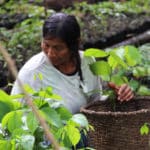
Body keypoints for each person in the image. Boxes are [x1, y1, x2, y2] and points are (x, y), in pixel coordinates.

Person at [11, 12, 134, 114]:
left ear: (75, 44)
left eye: (58, 48)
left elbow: (93, 104)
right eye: (46, 45)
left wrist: (118, 95)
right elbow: (17, 117)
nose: (50, 53)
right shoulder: (32, 72)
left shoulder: (87, 62)